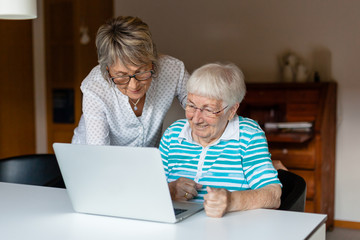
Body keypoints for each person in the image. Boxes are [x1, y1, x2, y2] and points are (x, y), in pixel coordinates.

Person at [159, 63, 282, 218]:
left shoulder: (247, 135)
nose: (196, 119)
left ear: (231, 110)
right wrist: (170, 190)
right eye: (191, 105)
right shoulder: (173, 134)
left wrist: (231, 201)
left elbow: (273, 195)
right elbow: (149, 191)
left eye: (208, 110)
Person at [71, 16, 188, 147]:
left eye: (141, 72)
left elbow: (201, 104)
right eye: (122, 76)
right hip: (90, 157)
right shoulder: (95, 87)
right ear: (108, 70)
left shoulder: (172, 69)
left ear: (152, 62)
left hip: (143, 161)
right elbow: (99, 152)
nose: (134, 85)